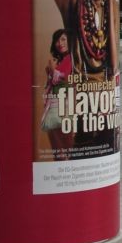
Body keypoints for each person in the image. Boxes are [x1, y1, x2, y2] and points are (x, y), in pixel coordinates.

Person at [42, 0, 119, 152]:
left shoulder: (111, 7)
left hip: (106, 115)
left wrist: (112, 9)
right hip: (81, 116)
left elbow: (113, 67)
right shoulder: (73, 3)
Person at [41, 29, 73, 159]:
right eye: (57, 40)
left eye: (63, 39)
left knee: (65, 147)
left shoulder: (71, 58)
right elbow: (51, 82)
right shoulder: (59, 60)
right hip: (53, 106)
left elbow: (63, 78)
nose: (60, 43)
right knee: (57, 150)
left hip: (63, 106)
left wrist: (52, 70)